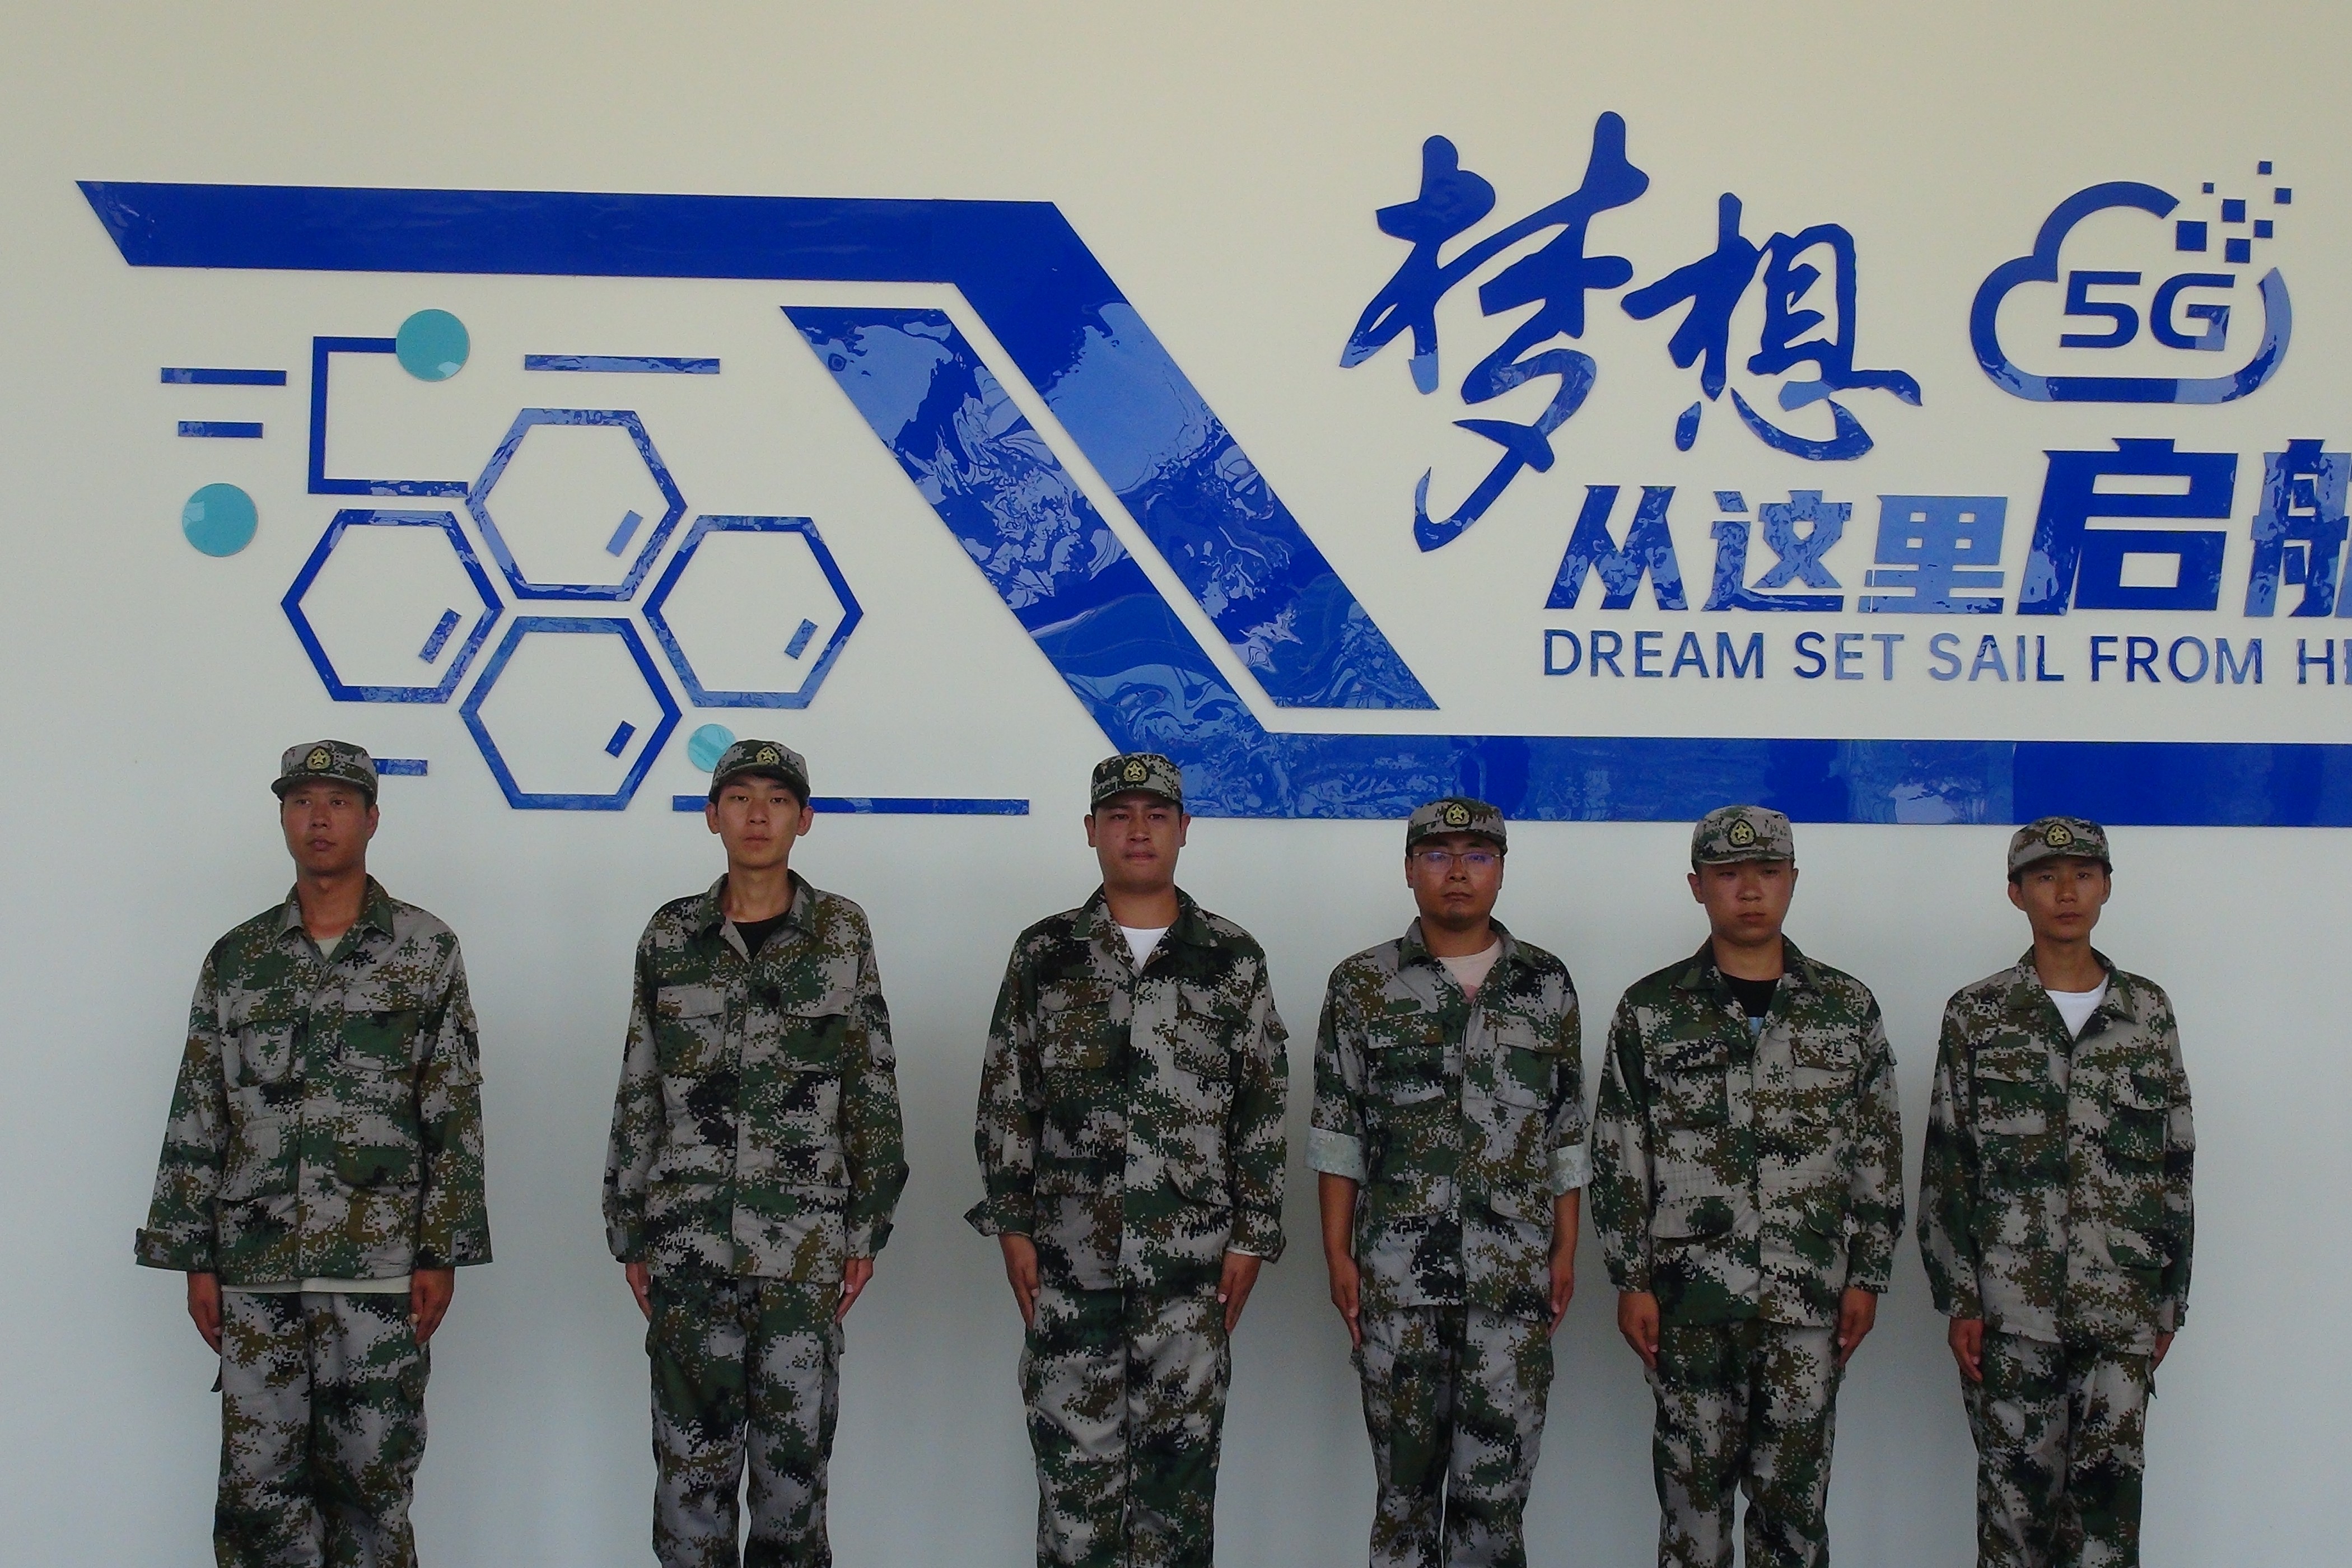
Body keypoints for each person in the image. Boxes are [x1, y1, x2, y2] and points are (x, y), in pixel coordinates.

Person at [136, 741, 490, 1568]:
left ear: (372, 818)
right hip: (257, 1267)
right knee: (257, 1494)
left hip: (380, 1266)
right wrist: (194, 1258)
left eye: (337, 802)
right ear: (284, 818)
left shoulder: (425, 949)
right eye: (301, 802)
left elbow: (453, 1109)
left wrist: (441, 1252)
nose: (318, 819)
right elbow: (200, 1108)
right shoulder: (238, 958)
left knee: (372, 1489)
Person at [967, 751, 1288, 1568]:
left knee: (1177, 1508)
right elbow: (1009, 1095)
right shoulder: (1045, 954)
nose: (1138, 830)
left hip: (1192, 1273)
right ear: (1091, 831)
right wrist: (1012, 1226)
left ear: (1184, 829)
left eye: (1155, 815)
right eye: (1119, 816)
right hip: (1071, 1268)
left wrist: (1254, 1237)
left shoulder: (1233, 958)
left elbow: (1260, 1106)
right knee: (1075, 1507)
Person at [603, 739, 907, 1568]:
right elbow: (640, 1083)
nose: (758, 815)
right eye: (740, 797)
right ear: (713, 816)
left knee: (791, 1496)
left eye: (777, 799)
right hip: (688, 1247)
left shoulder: (840, 932)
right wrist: (629, 1230)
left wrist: (866, 1230)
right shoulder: (672, 935)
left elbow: (870, 1084)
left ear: (804, 818)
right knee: (689, 1494)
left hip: (802, 1253)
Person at [1588, 805, 1902, 1568]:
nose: (1750, 890)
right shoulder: (1651, 1010)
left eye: (1767, 872)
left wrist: (1868, 1276)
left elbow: (1877, 1150)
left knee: (1793, 1519)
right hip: (1691, 1301)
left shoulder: (1846, 1007)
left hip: (1809, 1298)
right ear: (1698, 886)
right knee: (1692, 1519)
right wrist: (1631, 1280)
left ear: (1793, 880)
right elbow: (1621, 1153)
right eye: (1729, 874)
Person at [1310, 797, 1585, 1568]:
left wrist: (1565, 1251)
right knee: (1403, 1503)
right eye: (1437, 855)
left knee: (1494, 1504)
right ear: (1409, 870)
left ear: (1500, 870)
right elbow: (1338, 1132)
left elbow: (1566, 1129)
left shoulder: (1546, 984)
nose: (1457, 872)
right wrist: (1338, 1254)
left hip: (1512, 1280)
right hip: (1398, 1281)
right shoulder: (1362, 983)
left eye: (1477, 856)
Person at [1917, 816, 2194, 1568]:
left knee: (2108, 1527)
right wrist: (1960, 1298)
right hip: (2012, 1310)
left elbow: (2175, 1160)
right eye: (2045, 877)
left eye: (2083, 875)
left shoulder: (2148, 1012)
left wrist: (2169, 1300)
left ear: (2106, 887)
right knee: (2013, 1522)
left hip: (2121, 1305)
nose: (2066, 892)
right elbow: (1948, 1164)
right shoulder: (1977, 1014)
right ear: (2016, 894)